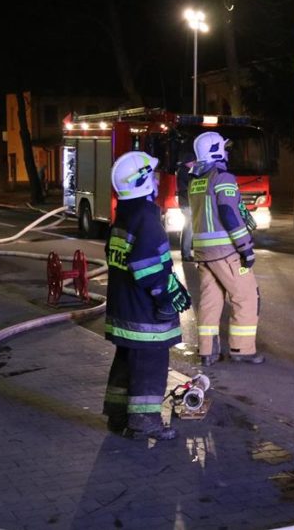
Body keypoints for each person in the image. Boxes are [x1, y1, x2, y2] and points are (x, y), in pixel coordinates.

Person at [102, 151, 192, 441]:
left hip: (124, 311)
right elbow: (148, 269)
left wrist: (170, 284)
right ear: (141, 182)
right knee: (149, 367)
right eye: (151, 175)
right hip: (145, 318)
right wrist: (165, 301)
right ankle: (144, 422)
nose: (155, 180)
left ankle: (117, 415)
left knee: (126, 364)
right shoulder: (147, 219)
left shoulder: (124, 216)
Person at [188, 131, 263, 366]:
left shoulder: (196, 179)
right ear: (216, 151)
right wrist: (245, 247)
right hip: (225, 252)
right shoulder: (222, 177)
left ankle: (207, 351)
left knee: (210, 300)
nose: (227, 152)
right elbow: (229, 213)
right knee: (247, 297)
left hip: (203, 252)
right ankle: (242, 349)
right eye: (224, 148)